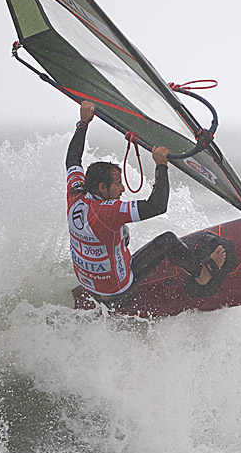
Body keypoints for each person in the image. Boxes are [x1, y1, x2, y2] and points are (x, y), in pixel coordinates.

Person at [66, 100, 226, 306]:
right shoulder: (107, 212)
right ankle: (202, 274)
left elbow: (72, 161)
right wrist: (161, 166)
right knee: (167, 241)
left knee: (120, 237)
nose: (122, 189)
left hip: (91, 287)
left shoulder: (76, 194)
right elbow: (157, 206)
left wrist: (83, 124)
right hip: (120, 292)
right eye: (117, 184)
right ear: (101, 188)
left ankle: (104, 289)